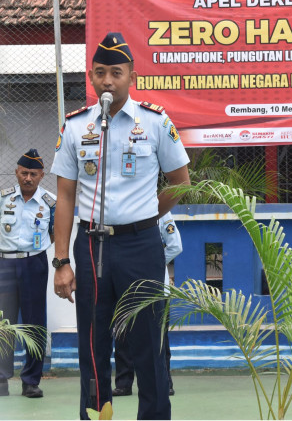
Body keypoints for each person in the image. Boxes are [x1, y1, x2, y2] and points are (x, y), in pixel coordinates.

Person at [51, 32, 190, 420]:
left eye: (116, 72)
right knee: (93, 346)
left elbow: (181, 181)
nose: (108, 81)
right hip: (92, 246)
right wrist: (61, 261)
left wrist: (149, 212)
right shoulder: (77, 126)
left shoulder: (155, 122)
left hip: (141, 244)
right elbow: (64, 196)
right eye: (100, 73)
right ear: (91, 78)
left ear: (132, 76)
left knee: (147, 342)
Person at [0, 149, 55, 400]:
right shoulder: (4, 197)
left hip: (34, 263)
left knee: (34, 323)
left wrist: (34, 250)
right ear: (17, 172)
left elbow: (53, 233)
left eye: (33, 174)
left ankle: (31, 381)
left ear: (42, 175)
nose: (28, 178)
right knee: (2, 322)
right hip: (7, 265)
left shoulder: (50, 202)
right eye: (24, 173)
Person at [112, 214, 182, 398]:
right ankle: (123, 383)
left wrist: (152, 263)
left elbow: (176, 246)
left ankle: (164, 382)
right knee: (122, 335)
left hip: (155, 286)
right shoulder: (123, 212)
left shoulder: (162, 212)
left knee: (158, 338)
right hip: (125, 285)